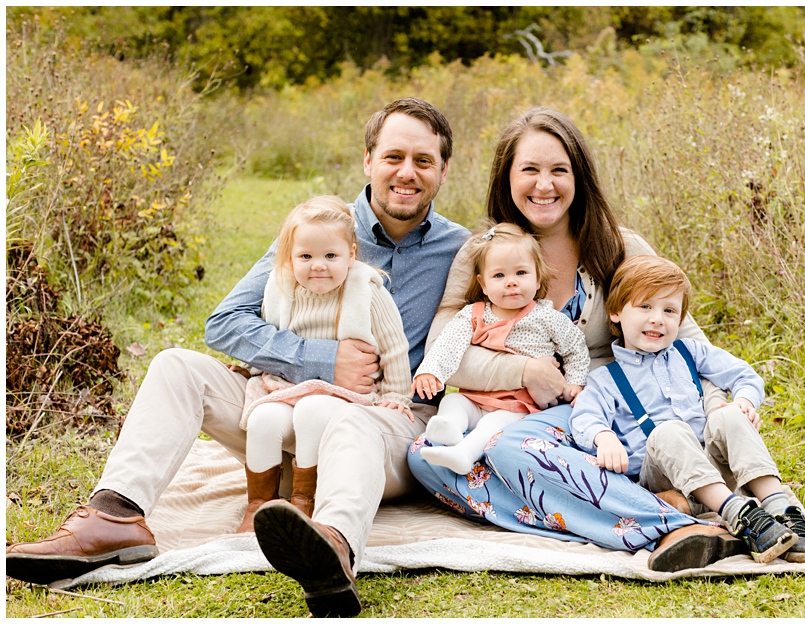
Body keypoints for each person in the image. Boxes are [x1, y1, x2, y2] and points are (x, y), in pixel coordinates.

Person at [5, 98, 471, 617]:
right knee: (176, 366)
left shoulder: (460, 249)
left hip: (384, 425)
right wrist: (321, 359)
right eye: (393, 157)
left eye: (423, 161)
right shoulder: (318, 230)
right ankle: (115, 515)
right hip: (283, 413)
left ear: (443, 170)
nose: (407, 172)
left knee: (351, 424)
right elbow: (224, 323)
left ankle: (332, 547)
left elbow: (502, 316)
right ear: (368, 160)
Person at [403, 107, 754, 571]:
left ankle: (663, 522)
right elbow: (443, 350)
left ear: (579, 177)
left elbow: (685, 345)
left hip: (606, 415)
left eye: (558, 171)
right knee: (427, 458)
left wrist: (715, 410)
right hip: (510, 409)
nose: (543, 185)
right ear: (506, 177)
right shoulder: (485, 251)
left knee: (510, 451)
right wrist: (524, 370)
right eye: (529, 169)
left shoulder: (618, 246)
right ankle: (671, 506)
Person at [571, 254, 805, 564]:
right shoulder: (605, 379)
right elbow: (584, 417)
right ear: (615, 312)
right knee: (669, 431)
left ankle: (782, 513)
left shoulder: (689, 351)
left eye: (669, 310)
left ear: (679, 319)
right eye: (645, 306)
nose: (657, 319)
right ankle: (744, 518)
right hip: (663, 482)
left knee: (728, 414)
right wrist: (603, 437)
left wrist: (744, 400)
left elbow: (744, 375)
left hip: (712, 472)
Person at [238, 196, 415, 533]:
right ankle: (258, 506)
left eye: (330, 256)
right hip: (289, 386)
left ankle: (305, 501)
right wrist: (249, 368)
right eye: (305, 256)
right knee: (262, 418)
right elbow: (270, 335)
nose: (318, 265)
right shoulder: (282, 289)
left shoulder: (366, 291)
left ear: (351, 254)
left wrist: (398, 395)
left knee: (312, 411)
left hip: (344, 393)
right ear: (290, 258)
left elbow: (394, 347)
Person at [414, 222, 589, 474]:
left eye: (521, 273)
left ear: (538, 278)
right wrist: (431, 371)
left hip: (519, 405)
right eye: (499, 276)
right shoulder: (472, 315)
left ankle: (465, 453)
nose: (511, 283)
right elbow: (447, 344)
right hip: (478, 397)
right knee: (453, 401)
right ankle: (450, 430)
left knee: (493, 423)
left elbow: (575, 348)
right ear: (482, 284)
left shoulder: (546, 317)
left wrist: (575, 381)